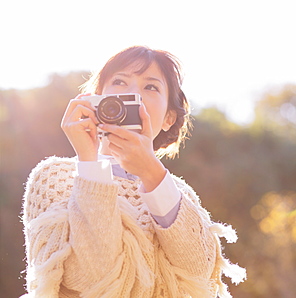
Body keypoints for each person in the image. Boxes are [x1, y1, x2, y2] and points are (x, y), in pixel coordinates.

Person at [22, 46, 246, 298]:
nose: (132, 93)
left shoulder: (179, 193)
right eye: (119, 82)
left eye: (150, 87)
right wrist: (89, 162)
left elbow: (199, 277)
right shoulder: (54, 176)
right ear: (96, 101)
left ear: (168, 118)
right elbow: (88, 280)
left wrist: (151, 173)